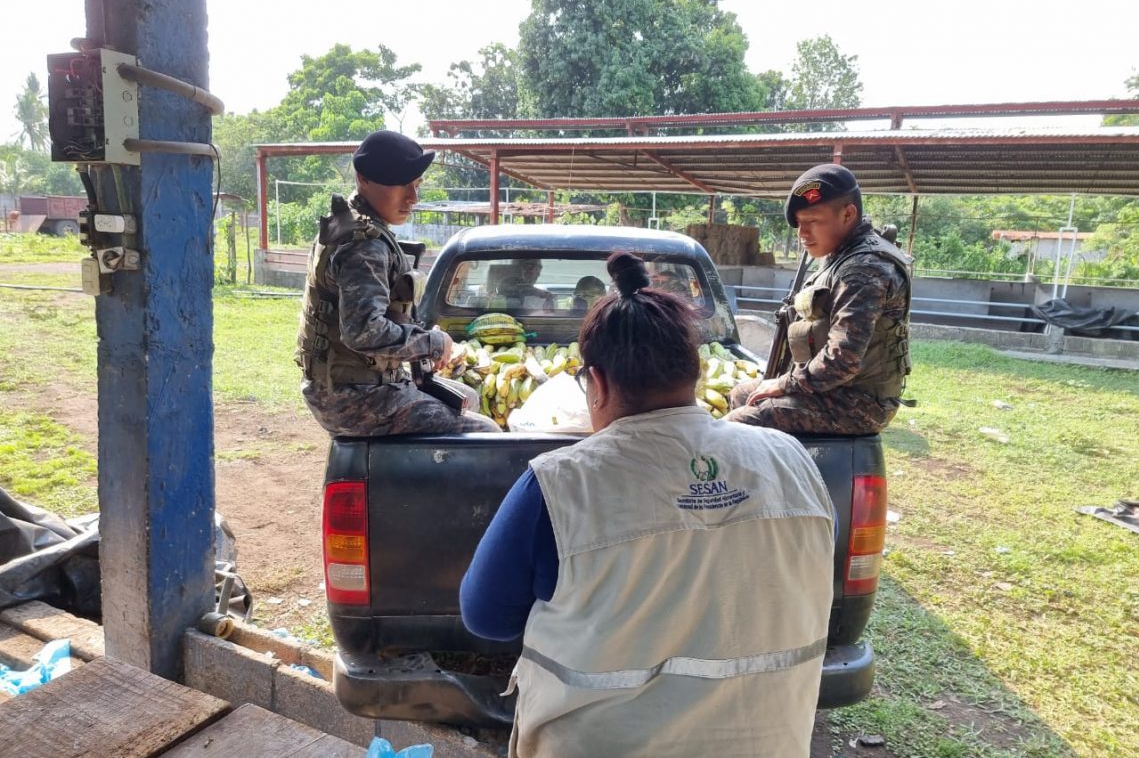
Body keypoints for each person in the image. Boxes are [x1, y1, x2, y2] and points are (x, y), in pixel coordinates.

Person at [460, 252, 835, 757]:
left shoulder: (559, 484)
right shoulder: (791, 460)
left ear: (598, 383)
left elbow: (486, 617)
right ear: (695, 373)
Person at [295, 129, 500, 436]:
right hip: (353, 398)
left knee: (468, 397)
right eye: (402, 185)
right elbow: (363, 332)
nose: (413, 197)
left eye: (416, 185)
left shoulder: (352, 223)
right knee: (485, 433)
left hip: (349, 386)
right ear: (363, 179)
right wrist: (431, 343)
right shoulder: (363, 245)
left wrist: (420, 339)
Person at [725, 163, 912, 435]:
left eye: (812, 221)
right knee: (741, 394)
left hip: (860, 403)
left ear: (848, 214)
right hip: (836, 389)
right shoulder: (842, 254)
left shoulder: (863, 269)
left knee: (737, 423)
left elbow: (842, 360)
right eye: (799, 223)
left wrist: (785, 384)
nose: (802, 234)